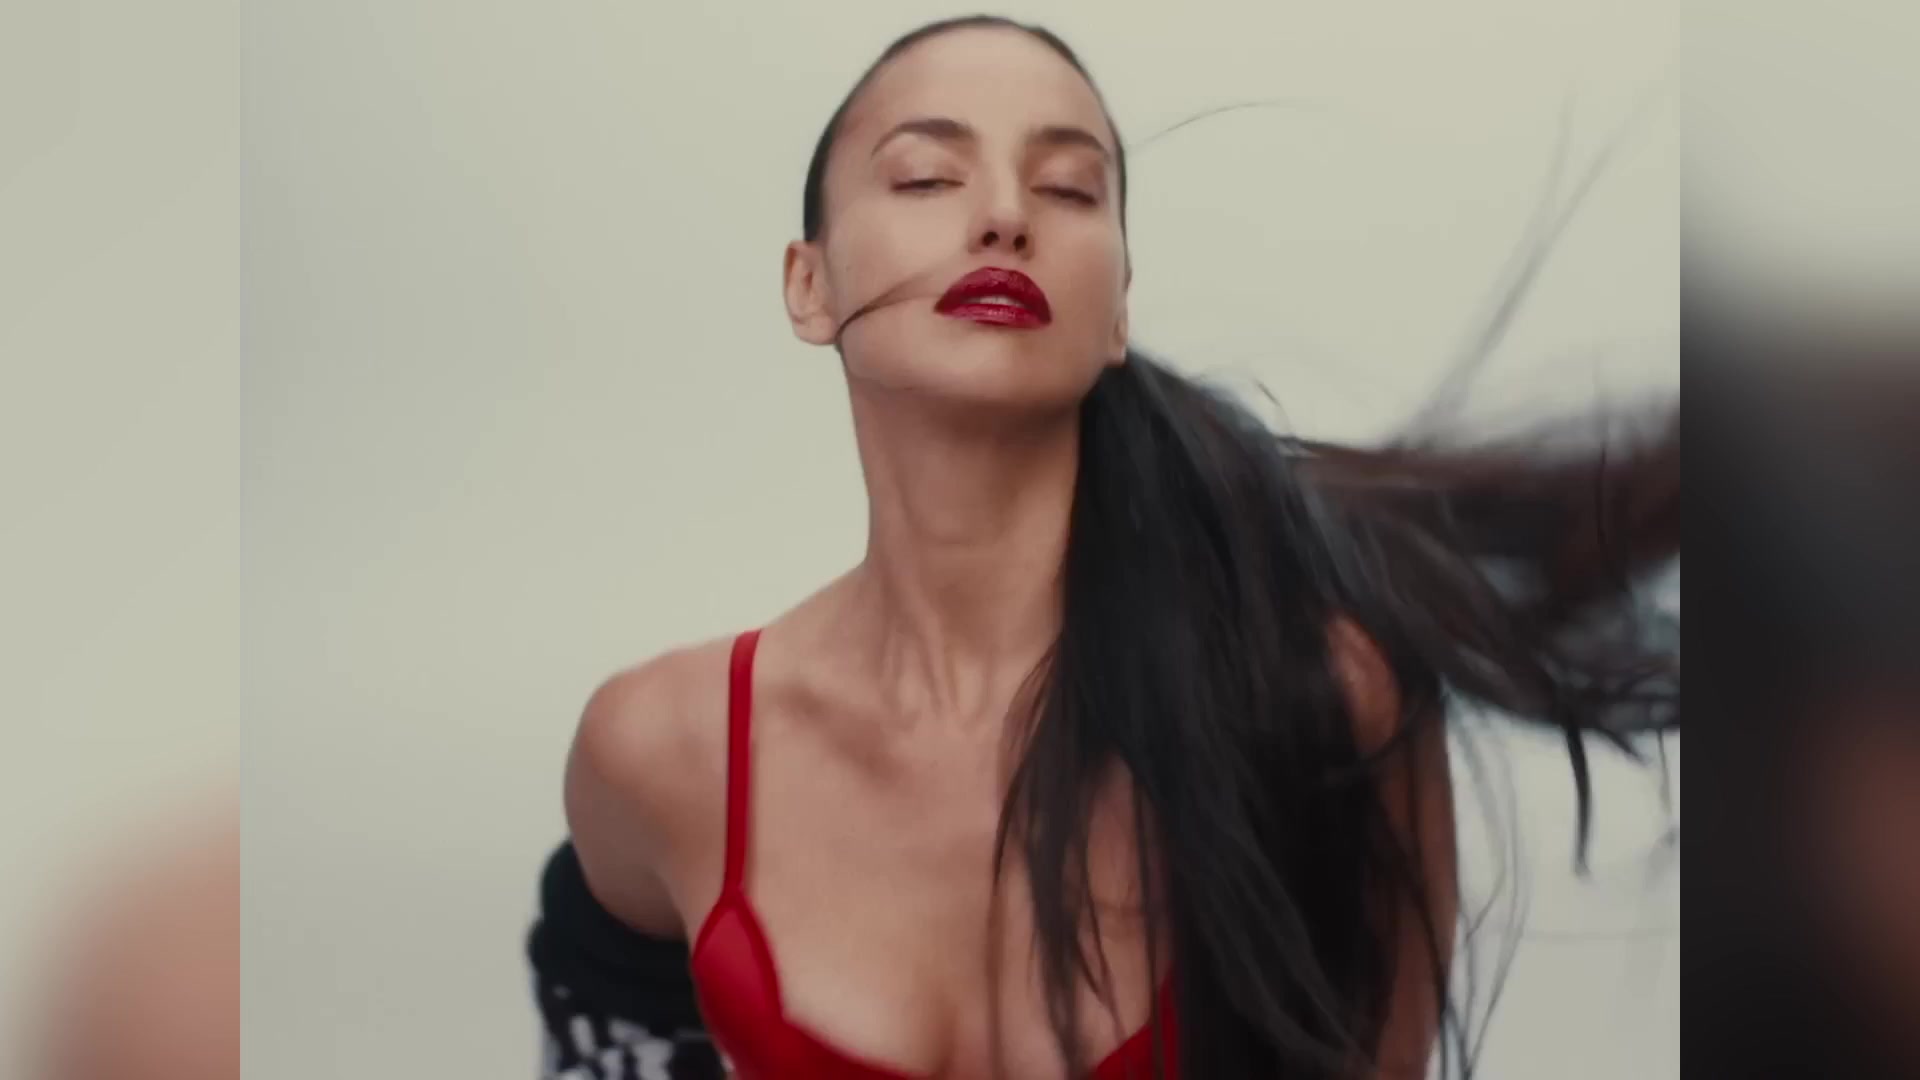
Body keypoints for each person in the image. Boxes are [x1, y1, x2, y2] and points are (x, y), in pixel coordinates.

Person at [532, 15, 1679, 1079]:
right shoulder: (660, 750)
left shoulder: (1319, 701)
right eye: (927, 175)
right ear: (809, 283)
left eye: (1068, 188)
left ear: (1119, 310)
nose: (1003, 215)